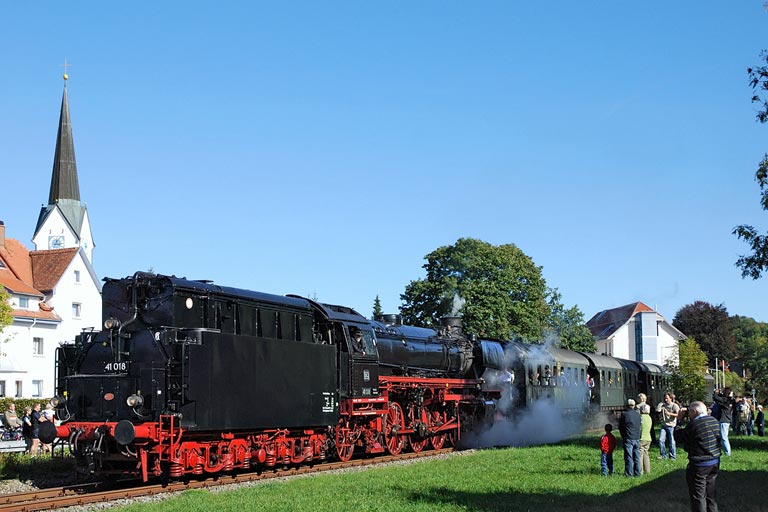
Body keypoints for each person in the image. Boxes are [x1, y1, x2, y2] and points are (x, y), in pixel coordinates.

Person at [679, 401, 721, 512]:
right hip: (714, 461)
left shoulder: (694, 424)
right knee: (711, 494)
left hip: (700, 464)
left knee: (698, 496)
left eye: (690, 412)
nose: (689, 414)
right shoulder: (714, 421)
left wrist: (678, 420)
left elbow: (678, 437)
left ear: (694, 411)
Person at [619, 398, 642, 477]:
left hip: (628, 437)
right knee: (637, 456)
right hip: (637, 437)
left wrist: (623, 436)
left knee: (629, 456)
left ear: (627, 405)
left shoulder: (624, 415)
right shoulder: (638, 414)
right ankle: (638, 473)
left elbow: (621, 427)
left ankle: (629, 473)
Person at [657, 392, 680, 460]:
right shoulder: (663, 405)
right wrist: (659, 405)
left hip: (671, 425)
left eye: (667, 398)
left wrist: (669, 413)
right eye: (665, 398)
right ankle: (663, 455)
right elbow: (657, 411)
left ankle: (672, 456)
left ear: (671, 398)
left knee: (671, 441)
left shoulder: (674, 405)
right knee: (661, 440)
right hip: (664, 425)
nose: (666, 399)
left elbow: (678, 415)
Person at [712, 388, 734, 456]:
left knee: (724, 437)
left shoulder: (725, 401)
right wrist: (720, 393)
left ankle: (728, 453)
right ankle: (725, 451)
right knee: (723, 437)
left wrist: (715, 393)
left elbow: (716, 398)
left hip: (723, 420)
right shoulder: (729, 400)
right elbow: (721, 398)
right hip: (726, 420)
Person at [639, 403, 652, 474]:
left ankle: (640, 472)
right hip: (648, 438)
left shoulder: (641, 417)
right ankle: (647, 471)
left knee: (640, 455)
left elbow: (640, 428)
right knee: (646, 454)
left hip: (642, 438)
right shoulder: (649, 418)